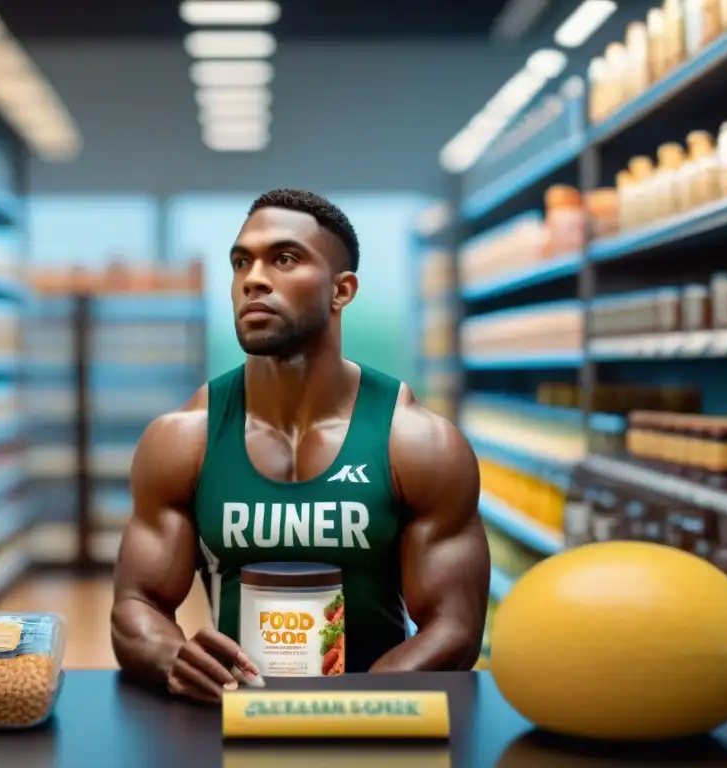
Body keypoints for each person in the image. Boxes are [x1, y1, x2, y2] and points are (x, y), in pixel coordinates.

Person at [111, 189, 490, 705]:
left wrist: (356, 711)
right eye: (241, 262)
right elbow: (138, 604)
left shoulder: (418, 443)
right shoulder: (184, 438)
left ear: (342, 291)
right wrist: (170, 656)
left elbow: (454, 627)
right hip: (230, 716)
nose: (254, 278)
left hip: (373, 723)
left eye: (285, 259)